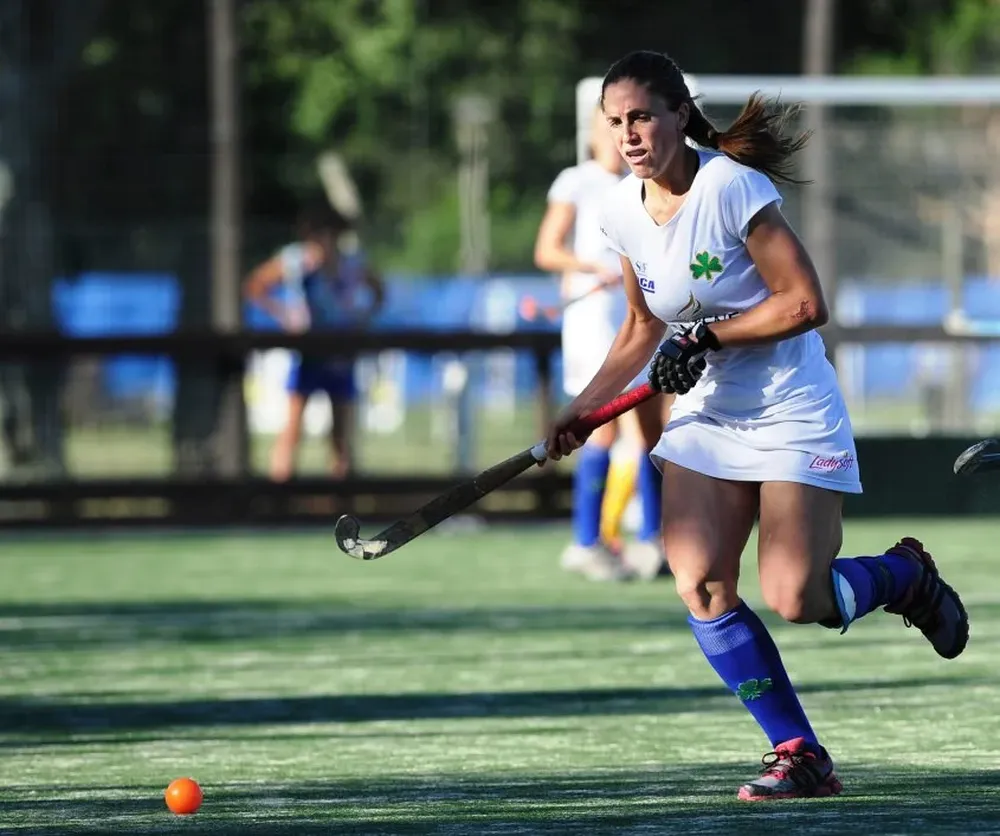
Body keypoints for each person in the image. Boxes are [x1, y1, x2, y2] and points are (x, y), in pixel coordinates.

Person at [544, 50, 969, 800]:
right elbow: (641, 327)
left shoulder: (732, 186)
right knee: (701, 582)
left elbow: (805, 303)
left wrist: (708, 336)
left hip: (789, 406)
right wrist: (582, 405)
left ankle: (907, 576)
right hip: (709, 414)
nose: (629, 135)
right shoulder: (617, 210)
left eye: (642, 116)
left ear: (679, 114)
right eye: (616, 123)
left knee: (798, 597)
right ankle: (798, 751)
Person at [534, 106, 670, 582]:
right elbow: (547, 249)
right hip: (594, 322)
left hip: (636, 321)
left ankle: (653, 539)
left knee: (650, 427)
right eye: (608, 125)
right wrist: (596, 268)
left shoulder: (640, 183)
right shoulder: (577, 181)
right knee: (603, 429)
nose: (618, 136)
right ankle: (587, 542)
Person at [245, 201, 384, 481]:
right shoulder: (294, 261)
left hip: (340, 351)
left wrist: (361, 320)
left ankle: (339, 499)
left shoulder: (351, 263)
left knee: (341, 433)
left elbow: (379, 291)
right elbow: (256, 285)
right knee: (294, 426)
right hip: (307, 351)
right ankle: (280, 493)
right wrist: (284, 315)